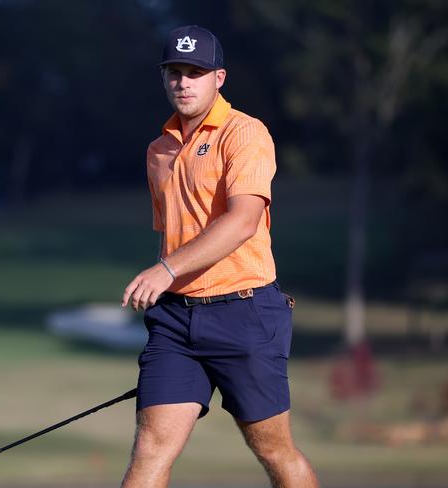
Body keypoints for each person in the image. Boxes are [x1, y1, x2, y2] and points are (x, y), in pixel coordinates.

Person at [120, 25, 319, 488]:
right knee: (151, 447)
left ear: (219, 78)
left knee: (273, 449)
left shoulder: (244, 133)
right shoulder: (159, 150)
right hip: (176, 323)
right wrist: (169, 276)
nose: (183, 82)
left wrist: (165, 270)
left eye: (195, 72)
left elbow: (243, 220)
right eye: (175, 72)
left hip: (245, 312)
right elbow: (174, 237)